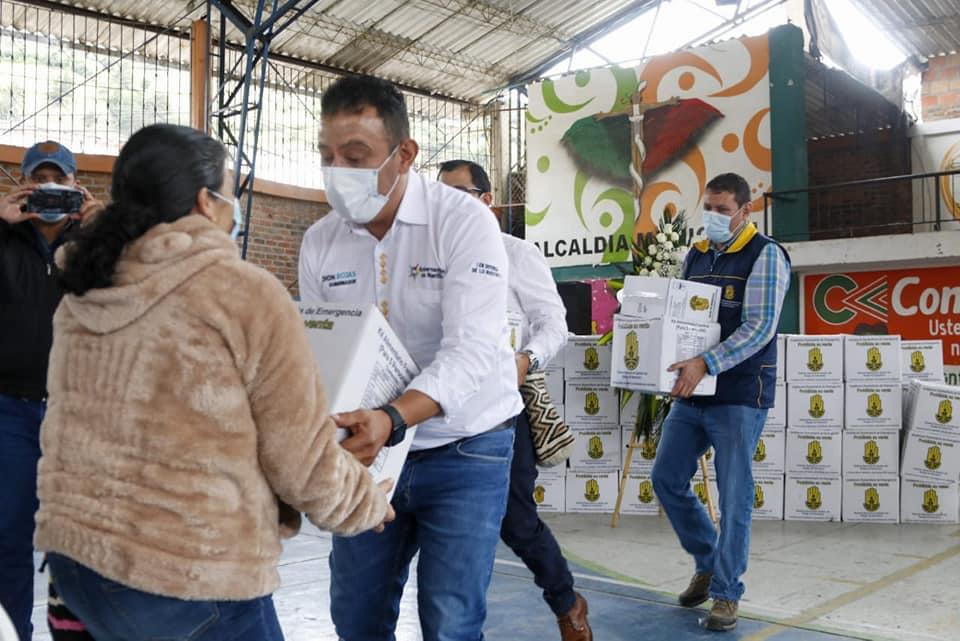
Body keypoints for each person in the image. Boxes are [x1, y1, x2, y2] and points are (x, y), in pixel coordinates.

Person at [34, 123, 393, 641]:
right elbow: (301, 461)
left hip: (77, 571)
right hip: (189, 573)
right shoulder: (242, 294)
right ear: (207, 201)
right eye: (229, 192)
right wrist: (364, 503)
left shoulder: (84, 291)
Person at [298, 76, 522, 641]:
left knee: (450, 621)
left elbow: (472, 349)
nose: (337, 171)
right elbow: (324, 355)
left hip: (466, 446)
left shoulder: (463, 221)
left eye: (356, 157)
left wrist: (393, 418)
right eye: (327, 156)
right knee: (356, 615)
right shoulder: (321, 241)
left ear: (404, 154)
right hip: (367, 451)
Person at [438, 160, 591, 641]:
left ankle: (566, 601)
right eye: (439, 194)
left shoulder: (516, 254)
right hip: (436, 409)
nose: (447, 204)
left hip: (503, 407)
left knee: (516, 519)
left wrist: (528, 358)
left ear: (487, 200)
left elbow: (554, 324)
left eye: (459, 193)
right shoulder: (427, 256)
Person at [650, 172, 791, 631]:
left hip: (739, 394)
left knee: (734, 497)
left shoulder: (765, 255)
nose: (713, 216)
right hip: (693, 392)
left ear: (746, 210)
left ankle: (727, 594)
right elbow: (682, 320)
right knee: (666, 477)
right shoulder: (697, 253)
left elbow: (759, 327)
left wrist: (705, 363)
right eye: (708, 208)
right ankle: (708, 562)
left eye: (723, 210)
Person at [0, 140, 102, 641]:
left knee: (79, 542)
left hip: (77, 414)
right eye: (38, 181)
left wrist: (106, 229)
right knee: (6, 540)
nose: (49, 190)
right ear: (22, 187)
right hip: (8, 411)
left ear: (76, 186)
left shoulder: (95, 244)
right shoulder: (4, 237)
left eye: (58, 181)